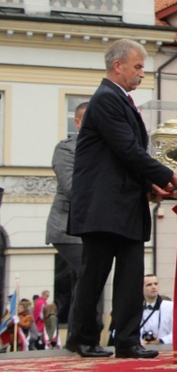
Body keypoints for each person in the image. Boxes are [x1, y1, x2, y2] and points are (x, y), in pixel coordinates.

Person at [66, 39, 177, 359]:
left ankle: (126, 339)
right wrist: (169, 175)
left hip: (125, 204)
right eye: (137, 67)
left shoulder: (119, 100)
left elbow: (125, 157)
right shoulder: (107, 99)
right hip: (103, 206)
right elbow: (128, 150)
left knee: (131, 275)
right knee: (95, 274)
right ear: (117, 66)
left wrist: (151, 185)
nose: (141, 74)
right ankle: (81, 337)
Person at [45, 102, 104, 343]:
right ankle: (87, 333)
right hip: (67, 228)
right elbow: (72, 187)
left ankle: (77, 337)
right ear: (77, 123)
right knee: (90, 274)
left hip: (92, 227)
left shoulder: (103, 148)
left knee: (86, 278)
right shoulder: (66, 149)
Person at [140, 275, 174, 345]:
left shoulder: (170, 306)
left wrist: (160, 340)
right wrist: (140, 342)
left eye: (156, 284)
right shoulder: (134, 308)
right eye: (149, 285)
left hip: (166, 350)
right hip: (141, 349)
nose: (153, 287)